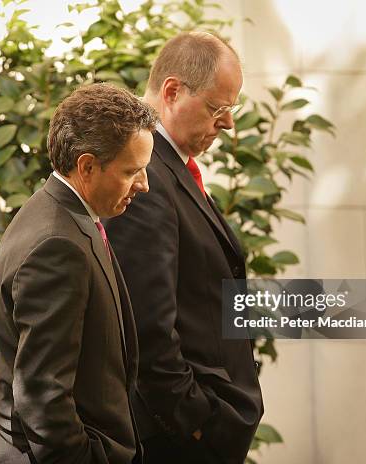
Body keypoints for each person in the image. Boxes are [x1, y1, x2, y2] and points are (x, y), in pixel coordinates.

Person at [105, 32, 264, 464]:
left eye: (232, 110)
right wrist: (200, 423)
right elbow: (147, 331)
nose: (228, 124)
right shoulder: (143, 179)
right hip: (177, 442)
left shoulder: (170, 167)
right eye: (218, 108)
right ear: (172, 92)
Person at [0, 83, 157, 464]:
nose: (144, 185)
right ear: (86, 166)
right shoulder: (56, 245)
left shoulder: (61, 215)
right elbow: (42, 399)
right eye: (132, 171)